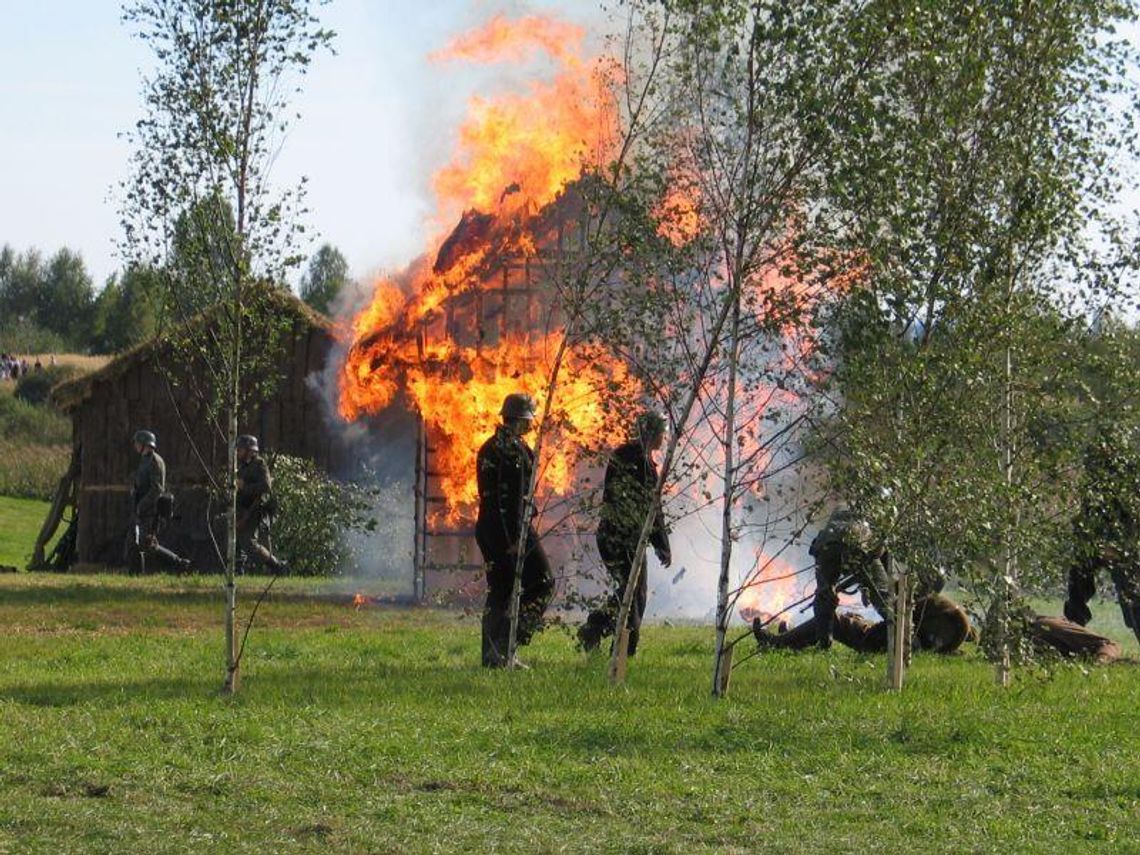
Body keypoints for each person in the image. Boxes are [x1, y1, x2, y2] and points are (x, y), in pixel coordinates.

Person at [578, 410, 672, 656]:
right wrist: (662, 545)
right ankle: (621, 650)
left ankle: (596, 629)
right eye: (662, 433)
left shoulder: (623, 455)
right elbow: (652, 509)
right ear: (653, 434)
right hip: (625, 539)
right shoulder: (641, 463)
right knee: (634, 595)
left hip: (611, 537)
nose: (664, 438)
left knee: (627, 592)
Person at [475, 393, 554, 668]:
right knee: (543, 583)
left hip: (487, 528)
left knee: (500, 591)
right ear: (521, 420)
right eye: (529, 421)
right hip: (509, 530)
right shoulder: (512, 450)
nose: (532, 426)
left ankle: (493, 656)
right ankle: (508, 647)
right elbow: (509, 500)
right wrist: (514, 540)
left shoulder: (489, 446)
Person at [1062, 426, 1140, 647]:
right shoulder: (1094, 476)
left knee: (1133, 599)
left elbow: (1133, 513)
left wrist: (1120, 545)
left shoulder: (1128, 475)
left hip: (1122, 546)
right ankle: (1071, 636)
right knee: (1077, 589)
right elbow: (1088, 511)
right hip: (1093, 543)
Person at [754, 592, 970, 654]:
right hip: (886, 638)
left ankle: (776, 643)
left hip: (879, 642)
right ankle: (792, 641)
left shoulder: (935, 613)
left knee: (833, 619)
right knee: (848, 619)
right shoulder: (947, 617)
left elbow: (899, 612)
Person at [809, 507, 895, 649]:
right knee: (883, 599)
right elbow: (878, 550)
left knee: (824, 595)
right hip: (854, 548)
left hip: (827, 546)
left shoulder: (846, 507)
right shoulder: (882, 510)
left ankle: (823, 641)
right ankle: (900, 635)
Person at [126, 429, 190, 573]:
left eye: (138, 443)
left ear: (145, 444)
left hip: (151, 510)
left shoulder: (155, 461)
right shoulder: (145, 460)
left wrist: (142, 505)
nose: (135, 446)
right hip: (142, 507)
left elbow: (157, 489)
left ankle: (179, 563)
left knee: (147, 543)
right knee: (140, 542)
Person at [235, 434, 286, 574]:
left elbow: (265, 487)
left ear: (250, 450)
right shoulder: (243, 467)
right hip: (242, 508)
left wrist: (244, 486)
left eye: (241, 449)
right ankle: (238, 570)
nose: (238, 452)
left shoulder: (259, 464)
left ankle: (277, 566)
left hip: (255, 508)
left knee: (249, 543)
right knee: (236, 540)